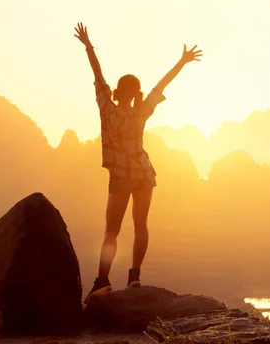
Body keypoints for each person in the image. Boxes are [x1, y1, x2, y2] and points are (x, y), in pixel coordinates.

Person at [74, 22, 203, 302]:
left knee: (111, 231)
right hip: (144, 174)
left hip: (121, 176)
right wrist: (182, 62)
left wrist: (88, 46)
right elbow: (162, 85)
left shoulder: (107, 107)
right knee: (141, 225)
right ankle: (135, 277)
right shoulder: (142, 111)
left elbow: (98, 75)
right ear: (136, 93)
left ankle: (102, 280)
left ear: (118, 91)